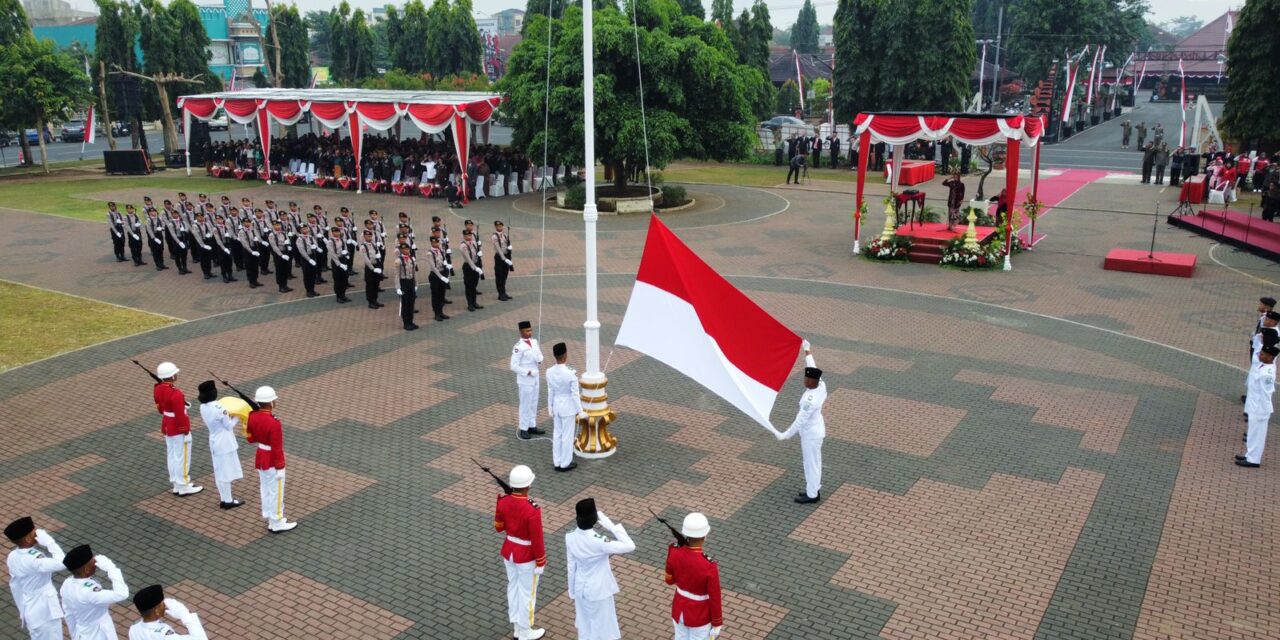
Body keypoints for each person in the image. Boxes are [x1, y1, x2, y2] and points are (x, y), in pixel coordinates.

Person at [565, 498, 635, 640]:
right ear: (594, 519)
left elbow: (571, 567)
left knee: (585, 627)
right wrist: (612, 527)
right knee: (603, 630)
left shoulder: (570, 537)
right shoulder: (599, 541)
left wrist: (572, 591)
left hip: (580, 589)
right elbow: (630, 546)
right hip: (599, 590)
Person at [494, 465, 546, 640]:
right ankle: (525, 630)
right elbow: (537, 538)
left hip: (509, 552)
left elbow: (498, 528)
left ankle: (517, 625)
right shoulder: (533, 509)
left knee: (513, 589)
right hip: (526, 556)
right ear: (528, 485)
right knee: (527, 594)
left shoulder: (502, 501)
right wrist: (541, 561)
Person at [775, 341, 827, 504]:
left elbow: (799, 422)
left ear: (813, 381)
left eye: (807, 378)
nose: (804, 380)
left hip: (810, 435)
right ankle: (813, 488)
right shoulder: (821, 385)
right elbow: (814, 367)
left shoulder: (810, 401)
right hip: (815, 431)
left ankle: (812, 495)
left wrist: (784, 435)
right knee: (813, 462)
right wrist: (807, 351)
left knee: (811, 464)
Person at [5, 517, 67, 640]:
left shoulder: (12, 556)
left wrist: (23, 610)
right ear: (28, 539)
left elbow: (15, 586)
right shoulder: (34, 559)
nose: (38, 534)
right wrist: (50, 542)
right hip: (45, 612)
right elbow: (63, 563)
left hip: (31, 609)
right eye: (34, 532)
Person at [245, 385, 297, 533]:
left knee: (266, 489)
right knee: (276, 491)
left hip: (261, 456)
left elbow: (250, 438)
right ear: (271, 403)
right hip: (272, 460)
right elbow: (277, 448)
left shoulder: (252, 416)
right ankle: (277, 521)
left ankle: (271, 518)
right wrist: (280, 466)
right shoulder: (274, 423)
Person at [665, 512, 723, 640]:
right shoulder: (709, 565)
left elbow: (669, 580)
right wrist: (717, 622)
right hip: (699, 616)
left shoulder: (674, 551)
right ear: (705, 536)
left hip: (679, 610)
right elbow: (715, 596)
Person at [153, 362, 202, 497]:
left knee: (172, 455)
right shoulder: (176, 393)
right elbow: (180, 415)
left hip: (167, 424)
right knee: (182, 457)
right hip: (177, 427)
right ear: (172, 376)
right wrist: (185, 430)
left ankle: (176, 483)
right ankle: (183, 484)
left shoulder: (158, 388)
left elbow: (161, 409)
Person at [59, 544, 128, 640]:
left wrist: (75, 635)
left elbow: (68, 614)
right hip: (100, 633)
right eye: (93, 562)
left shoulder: (67, 584)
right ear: (86, 569)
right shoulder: (90, 592)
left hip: (82, 633)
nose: (96, 563)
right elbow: (122, 594)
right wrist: (111, 568)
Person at [197, 381, 245, 509]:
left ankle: (224, 498)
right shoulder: (220, 408)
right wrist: (237, 417)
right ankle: (228, 500)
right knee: (226, 472)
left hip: (214, 440)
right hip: (225, 443)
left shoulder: (203, 407)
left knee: (219, 471)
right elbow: (228, 426)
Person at [546, 342, 587, 471]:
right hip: (568, 407)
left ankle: (557, 462)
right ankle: (565, 463)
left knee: (557, 434)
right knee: (567, 436)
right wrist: (580, 411)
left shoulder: (549, 371)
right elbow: (575, 394)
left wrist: (550, 407)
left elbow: (550, 391)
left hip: (557, 406)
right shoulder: (570, 373)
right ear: (565, 355)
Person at [1240, 344, 1278, 468]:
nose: (1259, 355)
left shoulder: (1267, 374)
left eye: (1262, 354)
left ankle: (1254, 460)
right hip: (1255, 406)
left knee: (1258, 434)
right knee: (1252, 432)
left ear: (1270, 357)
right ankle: (1249, 454)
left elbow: (1266, 394)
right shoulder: (1264, 365)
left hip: (1260, 409)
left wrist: (1263, 412)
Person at [127, 585, 207, 640]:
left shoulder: (133, 629)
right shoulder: (165, 635)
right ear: (157, 611)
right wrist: (185, 614)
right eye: (162, 604)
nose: (165, 606)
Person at [511, 321, 546, 440]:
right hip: (525, 379)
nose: (529, 333)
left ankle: (532, 425)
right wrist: (527, 372)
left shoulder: (534, 342)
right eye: (527, 331)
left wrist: (540, 359)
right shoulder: (518, 347)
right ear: (521, 332)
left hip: (535, 377)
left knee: (534, 402)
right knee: (525, 404)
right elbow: (513, 366)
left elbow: (539, 355)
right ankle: (523, 428)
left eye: (530, 330)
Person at [395, 243, 419, 331]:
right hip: (403, 282)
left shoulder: (412, 259)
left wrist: (416, 284)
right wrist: (398, 287)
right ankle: (406, 323)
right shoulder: (398, 260)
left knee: (411, 303)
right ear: (401, 250)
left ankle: (411, 321)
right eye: (405, 249)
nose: (407, 251)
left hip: (411, 282)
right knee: (405, 304)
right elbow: (397, 275)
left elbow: (414, 273)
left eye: (408, 249)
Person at [427, 235, 450, 321]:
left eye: (437, 242)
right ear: (432, 242)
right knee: (435, 295)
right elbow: (433, 267)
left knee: (441, 294)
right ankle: (436, 313)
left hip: (442, 273)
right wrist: (441, 277)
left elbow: (443, 260)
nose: (437, 243)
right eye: (435, 242)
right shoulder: (430, 253)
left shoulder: (440, 250)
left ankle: (441, 312)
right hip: (435, 276)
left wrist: (446, 265)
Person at [359, 229, 384, 309]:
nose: (369, 237)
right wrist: (373, 269)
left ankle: (375, 300)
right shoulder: (363, 246)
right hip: (370, 268)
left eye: (370, 236)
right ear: (364, 237)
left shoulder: (373, 244)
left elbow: (377, 253)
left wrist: (379, 257)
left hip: (376, 266)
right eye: (367, 236)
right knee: (370, 286)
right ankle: (370, 302)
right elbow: (366, 260)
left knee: (376, 284)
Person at [461, 228, 484, 311]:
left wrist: (480, 250)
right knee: (469, 286)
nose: (469, 236)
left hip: (476, 265)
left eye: (470, 235)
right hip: (468, 267)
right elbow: (468, 259)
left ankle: (474, 302)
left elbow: (477, 253)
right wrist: (475, 268)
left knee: (474, 286)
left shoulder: (474, 243)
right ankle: (470, 304)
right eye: (467, 235)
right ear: (464, 236)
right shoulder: (463, 246)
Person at [236, 218, 263, 289]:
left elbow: (258, 236)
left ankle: (255, 280)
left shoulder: (253, 229)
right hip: (247, 250)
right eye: (245, 222)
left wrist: (259, 240)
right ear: (242, 224)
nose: (247, 224)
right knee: (249, 266)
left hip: (255, 248)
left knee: (256, 265)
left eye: (248, 222)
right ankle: (251, 282)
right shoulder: (241, 232)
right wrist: (251, 251)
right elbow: (244, 243)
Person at [295, 224, 320, 298]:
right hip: (306, 259)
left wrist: (316, 248)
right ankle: (308, 291)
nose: (305, 230)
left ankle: (312, 290)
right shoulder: (299, 239)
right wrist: (309, 260)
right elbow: (302, 251)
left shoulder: (311, 237)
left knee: (313, 274)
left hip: (313, 256)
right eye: (303, 229)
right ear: (300, 231)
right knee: (307, 275)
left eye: (306, 228)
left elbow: (316, 244)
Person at [268, 221, 293, 293]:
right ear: (273, 226)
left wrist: (288, 246)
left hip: (285, 252)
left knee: (285, 269)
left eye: (279, 225)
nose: (278, 227)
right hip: (278, 254)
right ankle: (281, 286)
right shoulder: (271, 235)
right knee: (279, 270)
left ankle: (285, 285)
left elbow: (287, 240)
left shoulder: (284, 233)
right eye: (276, 225)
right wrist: (281, 255)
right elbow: (274, 247)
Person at [492, 221, 513, 301]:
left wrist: (510, 248)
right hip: (500, 257)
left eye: (501, 226)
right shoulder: (495, 236)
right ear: (495, 227)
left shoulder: (505, 235)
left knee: (504, 275)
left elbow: (507, 245)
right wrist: (504, 259)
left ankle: (504, 292)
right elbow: (498, 248)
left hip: (507, 256)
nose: (499, 227)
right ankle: (500, 294)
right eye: (497, 226)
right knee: (499, 276)